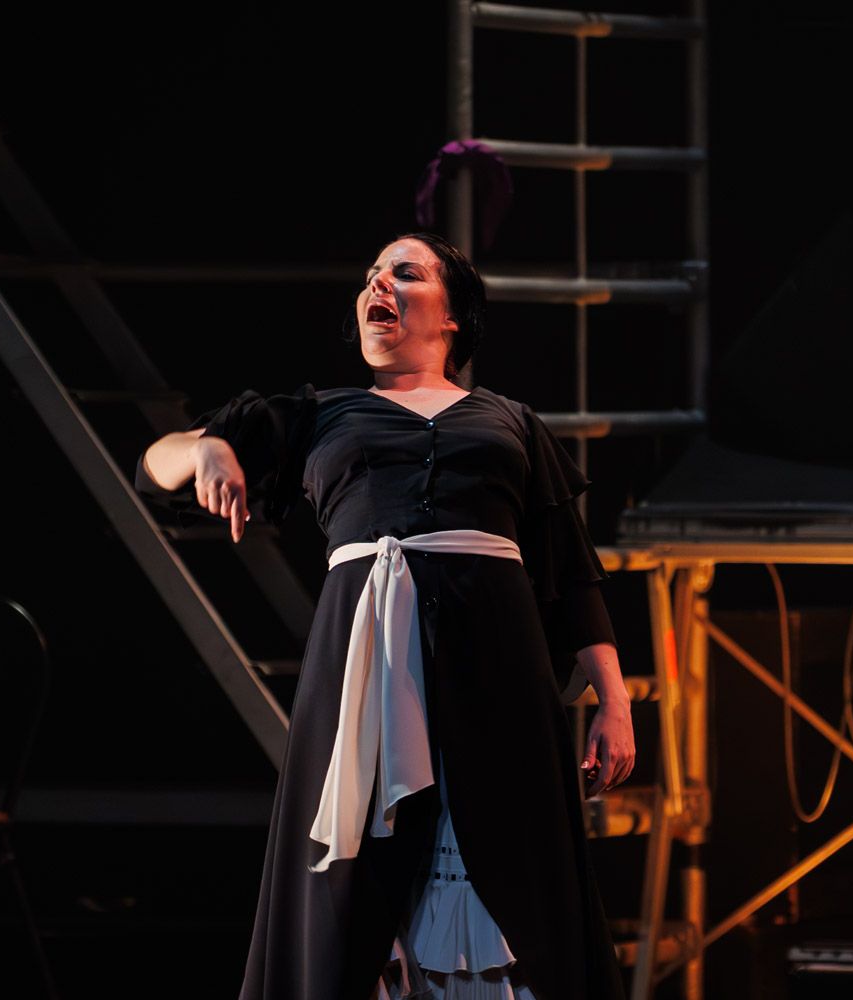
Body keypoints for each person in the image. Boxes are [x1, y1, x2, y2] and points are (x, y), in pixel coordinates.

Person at [135, 232, 636, 1000]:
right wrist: (207, 450)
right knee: (350, 895)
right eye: (371, 274)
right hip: (365, 669)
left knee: (519, 881)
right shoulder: (321, 414)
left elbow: (570, 572)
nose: (378, 284)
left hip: (497, 668)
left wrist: (616, 701)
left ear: (452, 315)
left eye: (404, 272)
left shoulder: (511, 422)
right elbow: (155, 463)